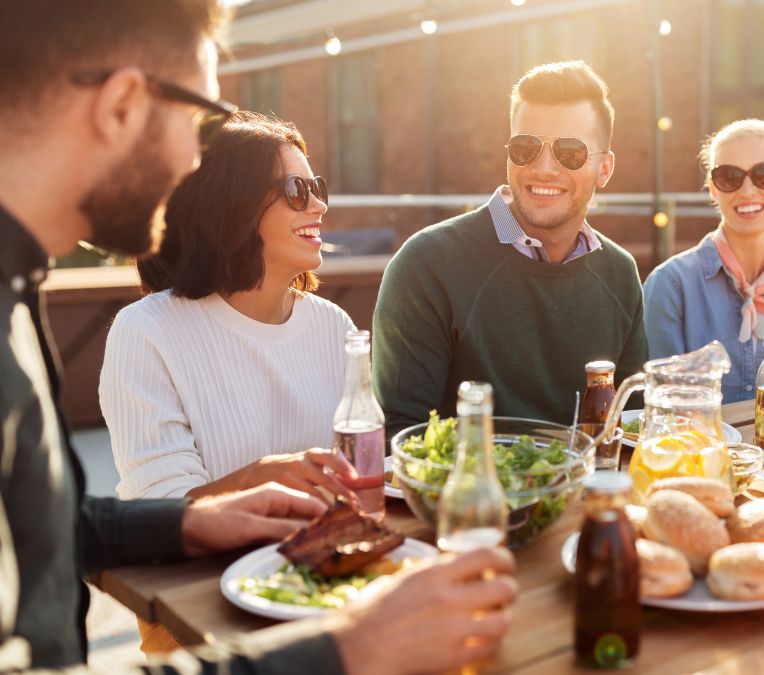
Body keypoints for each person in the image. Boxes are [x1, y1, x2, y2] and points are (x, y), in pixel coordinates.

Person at [0, 2, 516, 673]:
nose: (193, 160)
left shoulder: (17, 294)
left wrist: (194, 519)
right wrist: (348, 649)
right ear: (122, 104)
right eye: (195, 118)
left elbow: (37, 526)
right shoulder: (123, 326)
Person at [372, 61, 647, 435]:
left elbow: (629, 426)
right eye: (525, 147)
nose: (544, 168)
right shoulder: (426, 264)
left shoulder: (619, 272)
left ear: (605, 169)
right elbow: (398, 437)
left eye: (570, 152)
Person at [100, 111, 360, 503]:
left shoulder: (334, 326)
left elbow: (357, 472)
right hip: (215, 567)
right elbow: (159, 508)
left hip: (324, 556)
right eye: (296, 190)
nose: (318, 206)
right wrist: (261, 478)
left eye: (317, 188)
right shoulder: (146, 332)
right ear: (231, 207)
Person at [643, 119, 764, 402]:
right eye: (729, 176)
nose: (748, 190)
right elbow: (667, 408)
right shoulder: (670, 285)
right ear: (713, 188)